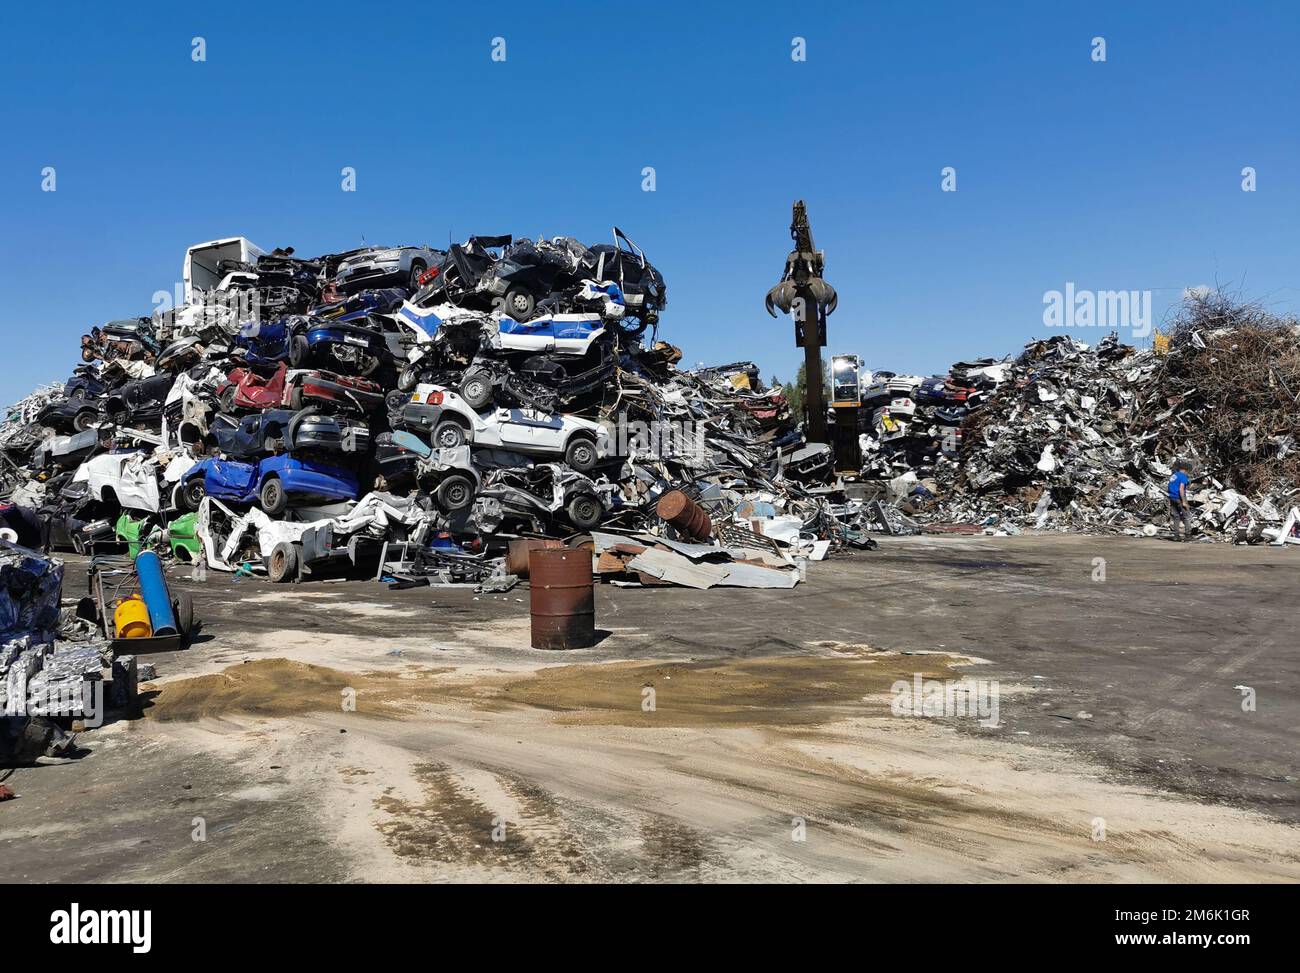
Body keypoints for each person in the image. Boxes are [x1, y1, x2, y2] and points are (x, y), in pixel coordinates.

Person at [1167, 459, 1193, 541]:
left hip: (1172, 497)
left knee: (1176, 517)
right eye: (1188, 471)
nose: (1187, 473)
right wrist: (1184, 502)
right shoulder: (1183, 477)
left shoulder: (1174, 476)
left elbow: (1169, 486)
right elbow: (1181, 489)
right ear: (1185, 470)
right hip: (1179, 499)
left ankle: (1176, 536)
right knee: (1187, 517)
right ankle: (1188, 536)